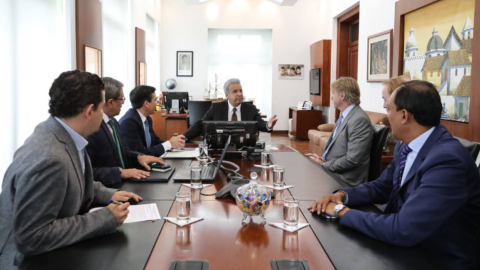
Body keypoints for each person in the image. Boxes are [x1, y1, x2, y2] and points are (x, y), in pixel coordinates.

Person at [308, 80, 480, 269]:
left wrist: (341, 211)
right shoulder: (405, 144)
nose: (385, 110)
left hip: (435, 258)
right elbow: (383, 186)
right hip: (405, 244)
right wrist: (343, 195)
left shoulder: (448, 161)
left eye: (389, 108)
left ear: (404, 115)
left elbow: (403, 230)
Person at [0, 71, 143, 270]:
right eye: (101, 108)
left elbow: (74, 179)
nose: (103, 115)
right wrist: (105, 218)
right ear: (89, 111)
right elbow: (32, 236)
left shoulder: (60, 132)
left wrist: (110, 194)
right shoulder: (50, 158)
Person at [86, 77, 165, 186]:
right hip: (106, 188)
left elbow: (123, 150)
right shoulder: (90, 128)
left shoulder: (113, 121)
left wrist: (139, 157)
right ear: (110, 102)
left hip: (125, 183)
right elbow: (85, 172)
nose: (123, 102)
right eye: (121, 98)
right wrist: (119, 173)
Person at [305, 77, 373, 186]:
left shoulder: (359, 120)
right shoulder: (345, 115)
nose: (331, 97)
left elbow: (353, 160)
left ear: (342, 95)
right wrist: (322, 159)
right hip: (335, 171)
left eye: (333, 93)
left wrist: (324, 165)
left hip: (345, 179)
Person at [183, 78, 278, 140]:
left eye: (241, 90)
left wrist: (268, 125)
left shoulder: (251, 108)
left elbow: (260, 124)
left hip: (244, 146)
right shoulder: (216, 108)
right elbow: (201, 124)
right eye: (235, 91)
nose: (240, 94)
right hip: (221, 146)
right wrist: (184, 137)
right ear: (227, 94)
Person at [119, 85, 185, 156]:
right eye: (155, 100)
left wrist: (173, 142)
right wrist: (169, 144)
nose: (157, 103)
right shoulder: (128, 122)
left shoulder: (147, 118)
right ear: (146, 103)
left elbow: (155, 141)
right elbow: (140, 153)